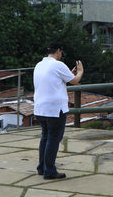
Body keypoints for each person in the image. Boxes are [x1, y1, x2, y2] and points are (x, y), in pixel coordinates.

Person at [34, 41, 84, 179]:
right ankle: (50, 171)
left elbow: (55, 80)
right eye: (61, 52)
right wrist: (79, 72)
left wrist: (69, 74)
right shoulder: (58, 65)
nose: (61, 55)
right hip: (55, 109)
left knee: (45, 137)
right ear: (58, 51)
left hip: (40, 108)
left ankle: (42, 167)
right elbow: (75, 81)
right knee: (54, 139)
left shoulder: (39, 65)